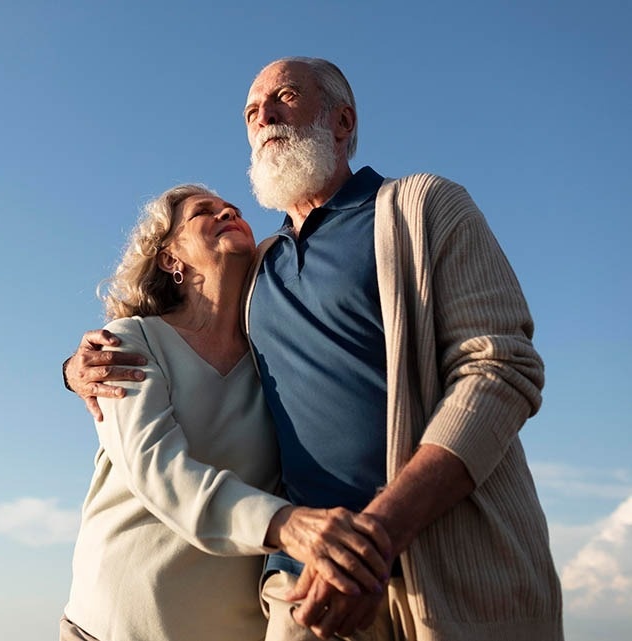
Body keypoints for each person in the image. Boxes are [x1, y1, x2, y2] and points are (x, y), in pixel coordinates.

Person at [64, 57, 563, 641]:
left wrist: (378, 534)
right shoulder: (260, 269)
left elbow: (501, 367)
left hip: (454, 570)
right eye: (252, 112)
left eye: (286, 97)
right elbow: (175, 333)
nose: (265, 116)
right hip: (301, 588)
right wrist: (77, 369)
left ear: (343, 121)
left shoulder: (424, 208)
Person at [61, 184, 393, 641]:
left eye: (230, 208)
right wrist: (288, 525)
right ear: (169, 257)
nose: (227, 211)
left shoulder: (272, 364)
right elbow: (158, 470)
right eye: (204, 212)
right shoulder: (129, 342)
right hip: (110, 627)